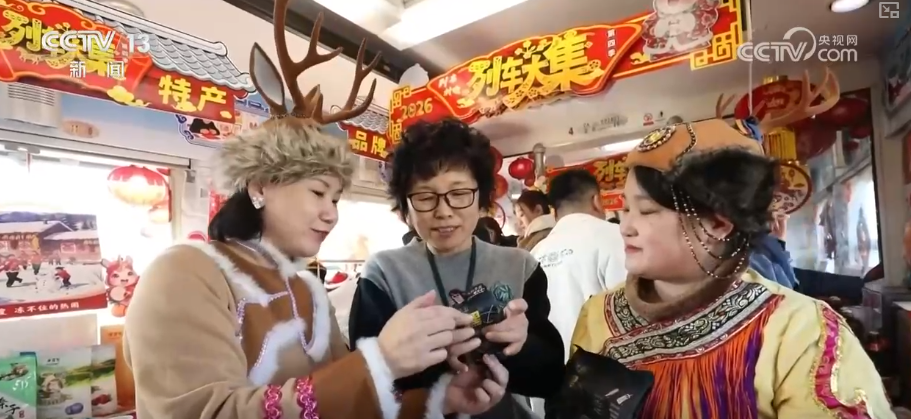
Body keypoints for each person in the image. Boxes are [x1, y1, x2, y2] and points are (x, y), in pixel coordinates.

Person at [123, 3, 504, 418]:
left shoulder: (309, 290)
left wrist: (438, 400)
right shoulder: (186, 272)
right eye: (318, 192)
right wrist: (379, 361)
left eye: (336, 199)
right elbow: (208, 411)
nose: (331, 214)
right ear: (259, 186)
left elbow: (349, 405)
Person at [569, 71, 893, 418]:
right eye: (626, 210)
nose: (625, 227)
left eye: (646, 211)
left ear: (718, 223)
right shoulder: (598, 315)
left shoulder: (800, 331)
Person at [350, 118, 564, 419]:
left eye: (459, 194)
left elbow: (549, 378)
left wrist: (520, 345)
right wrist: (437, 363)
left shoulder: (519, 266)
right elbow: (364, 385)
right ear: (405, 209)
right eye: (426, 197)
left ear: (481, 200)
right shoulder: (384, 274)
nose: (444, 211)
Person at [532, 168, 627, 351]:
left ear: (554, 212)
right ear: (596, 201)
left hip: (549, 363)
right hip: (604, 362)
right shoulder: (616, 236)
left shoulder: (536, 252)